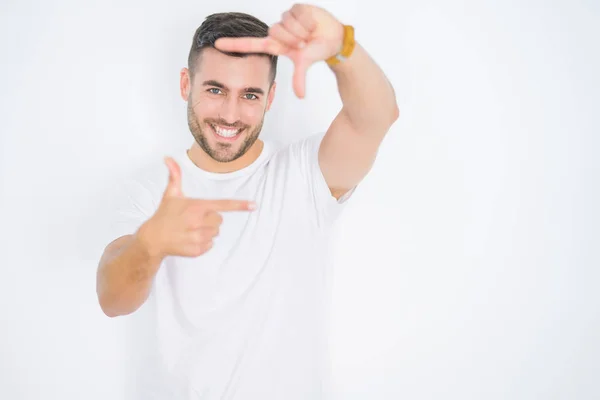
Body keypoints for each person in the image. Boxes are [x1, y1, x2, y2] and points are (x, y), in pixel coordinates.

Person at [96, 4, 398, 399]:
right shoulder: (150, 189)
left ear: (271, 97)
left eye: (250, 94)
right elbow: (112, 299)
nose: (230, 114)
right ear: (186, 84)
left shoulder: (306, 174)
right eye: (215, 89)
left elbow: (376, 117)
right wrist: (150, 244)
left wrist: (343, 47)